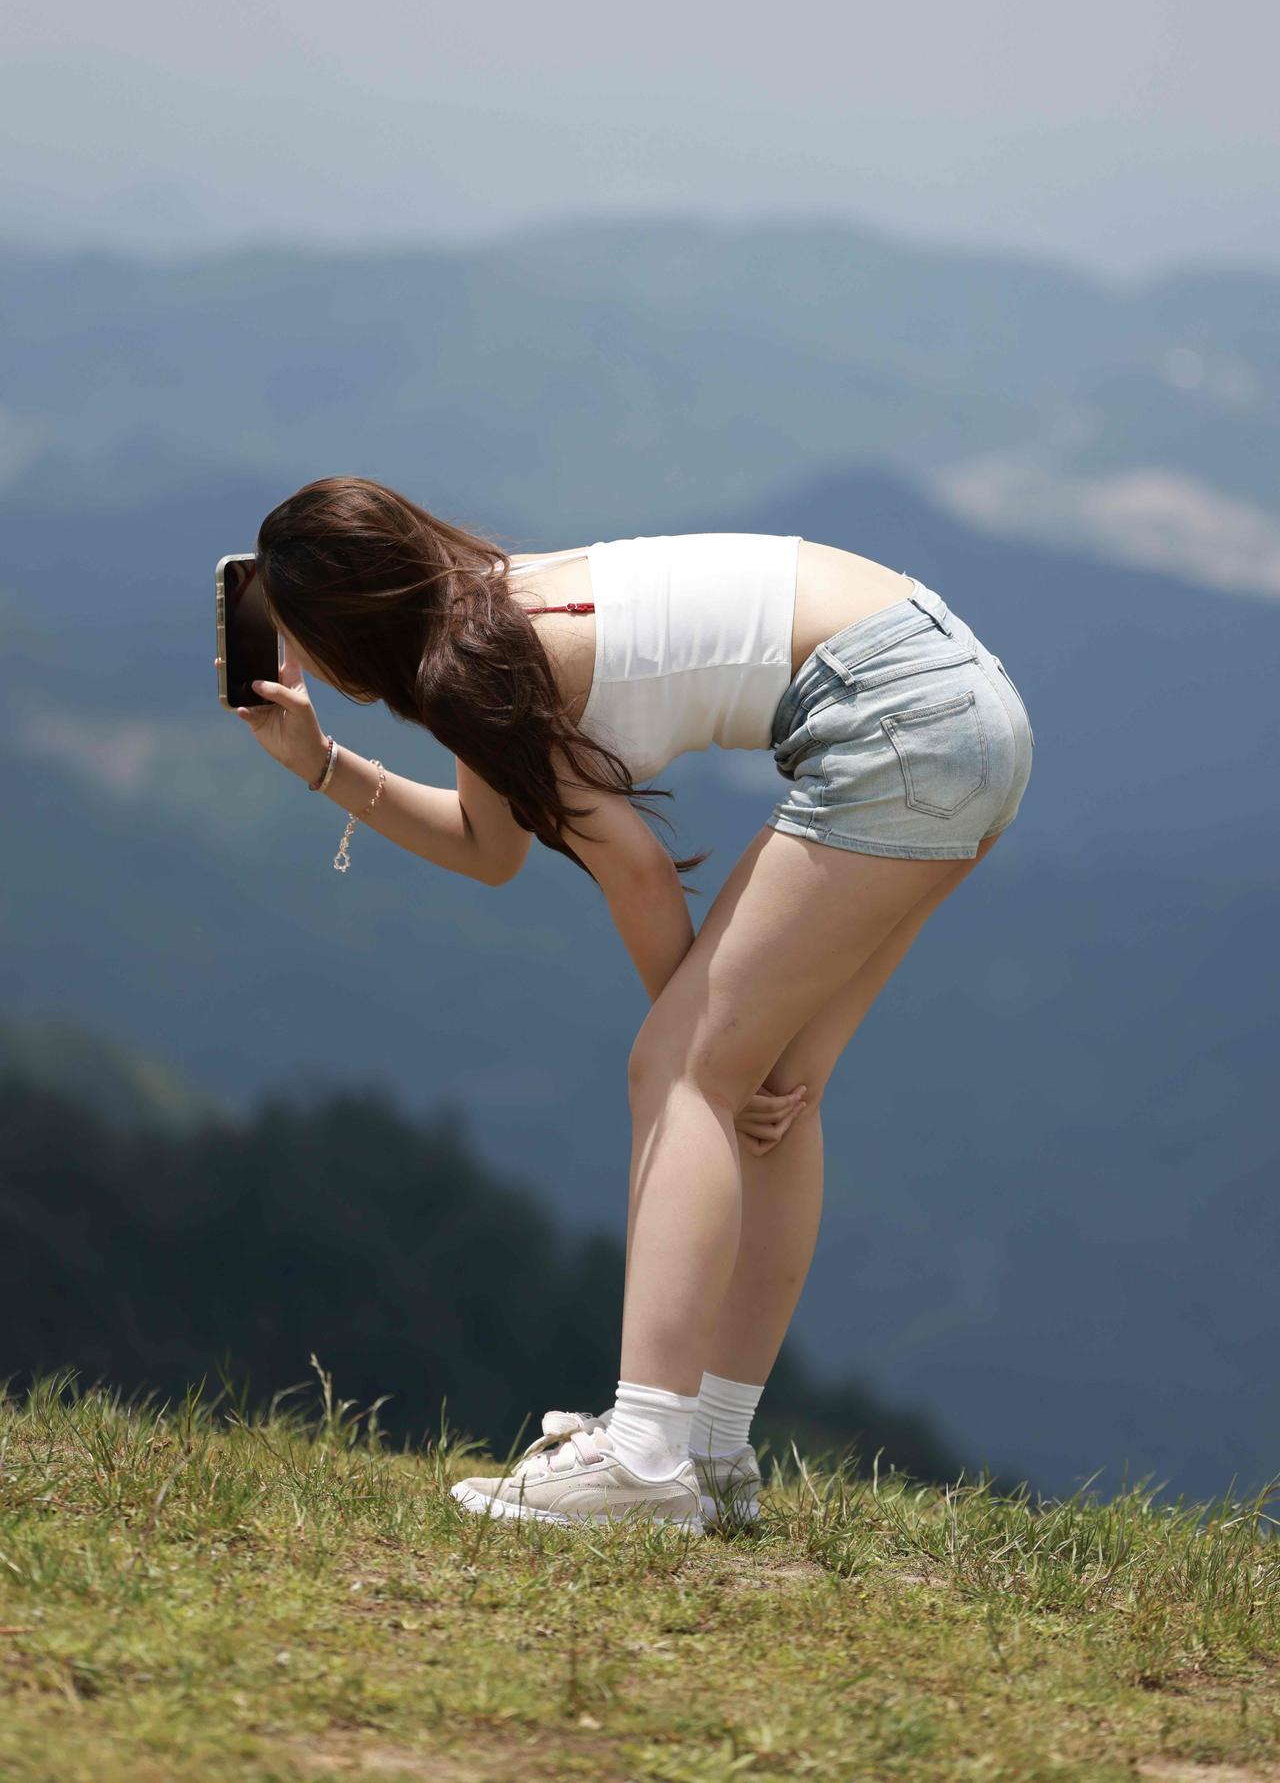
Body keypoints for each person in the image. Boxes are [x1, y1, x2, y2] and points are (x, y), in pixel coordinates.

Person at [221, 475, 1035, 1534]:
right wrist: (318, 763)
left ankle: (644, 1456)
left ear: (342, 640)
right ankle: (714, 1457)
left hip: (894, 718)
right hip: (965, 699)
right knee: (773, 1087)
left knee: (687, 1071)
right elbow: (488, 848)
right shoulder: (497, 609)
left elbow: (639, 873)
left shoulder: (477, 669)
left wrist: (699, 1047)